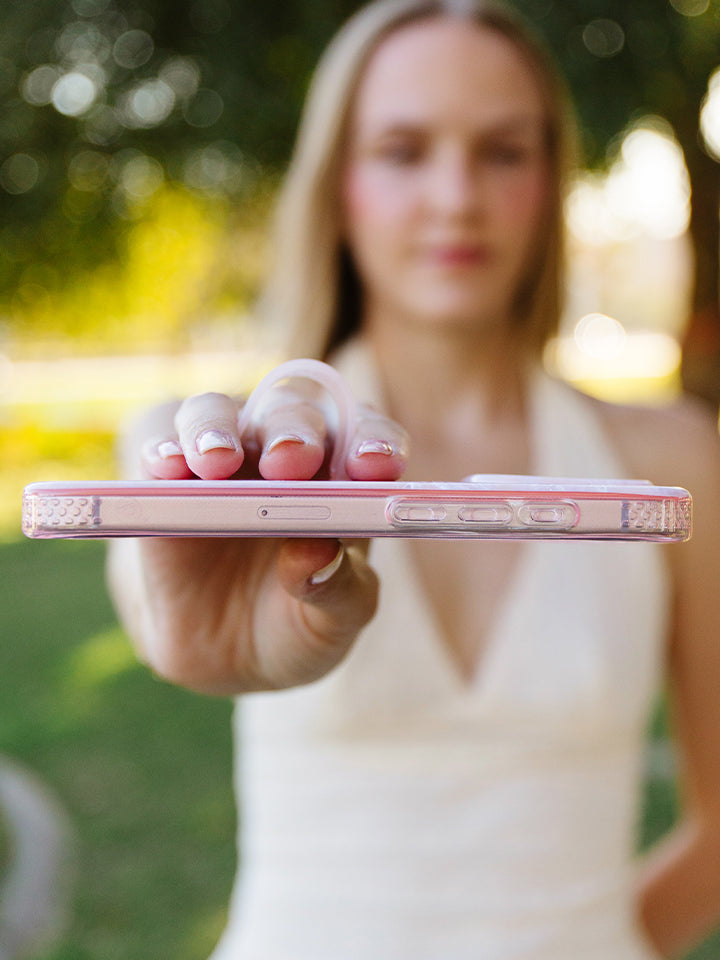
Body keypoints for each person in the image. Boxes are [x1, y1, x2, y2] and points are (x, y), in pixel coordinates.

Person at [107, 1, 720, 957]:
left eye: (503, 151)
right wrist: (169, 605)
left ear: (551, 179)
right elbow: (158, 605)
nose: (456, 197)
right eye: (402, 150)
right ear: (338, 185)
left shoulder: (674, 465)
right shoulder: (235, 458)